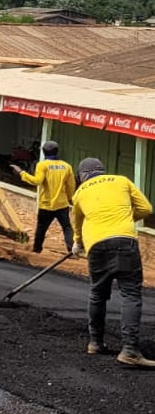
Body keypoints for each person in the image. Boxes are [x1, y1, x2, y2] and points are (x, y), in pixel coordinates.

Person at [71, 157, 154, 367]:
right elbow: (146, 209)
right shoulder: (121, 181)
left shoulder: (79, 193)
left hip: (97, 246)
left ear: (82, 176)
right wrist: (122, 219)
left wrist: (77, 243)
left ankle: (95, 343)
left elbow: (77, 225)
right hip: (125, 242)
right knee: (131, 295)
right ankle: (129, 351)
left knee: (97, 294)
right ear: (102, 170)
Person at [11, 141, 76, 253]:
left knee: (41, 228)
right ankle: (71, 250)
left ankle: (37, 249)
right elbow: (71, 185)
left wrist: (21, 173)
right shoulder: (67, 166)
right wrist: (70, 198)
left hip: (46, 204)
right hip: (62, 204)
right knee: (67, 227)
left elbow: (37, 181)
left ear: (44, 152)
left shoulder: (42, 165)